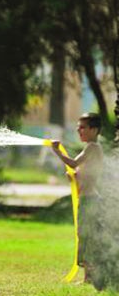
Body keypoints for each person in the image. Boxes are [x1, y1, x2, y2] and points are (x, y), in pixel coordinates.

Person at [51, 112, 104, 287]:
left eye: (83, 127)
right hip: (87, 199)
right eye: (78, 127)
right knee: (85, 236)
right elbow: (86, 174)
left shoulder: (92, 147)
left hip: (90, 201)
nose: (78, 130)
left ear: (94, 129)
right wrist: (75, 177)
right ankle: (88, 278)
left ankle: (91, 278)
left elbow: (74, 163)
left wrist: (57, 151)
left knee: (87, 237)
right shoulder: (92, 148)